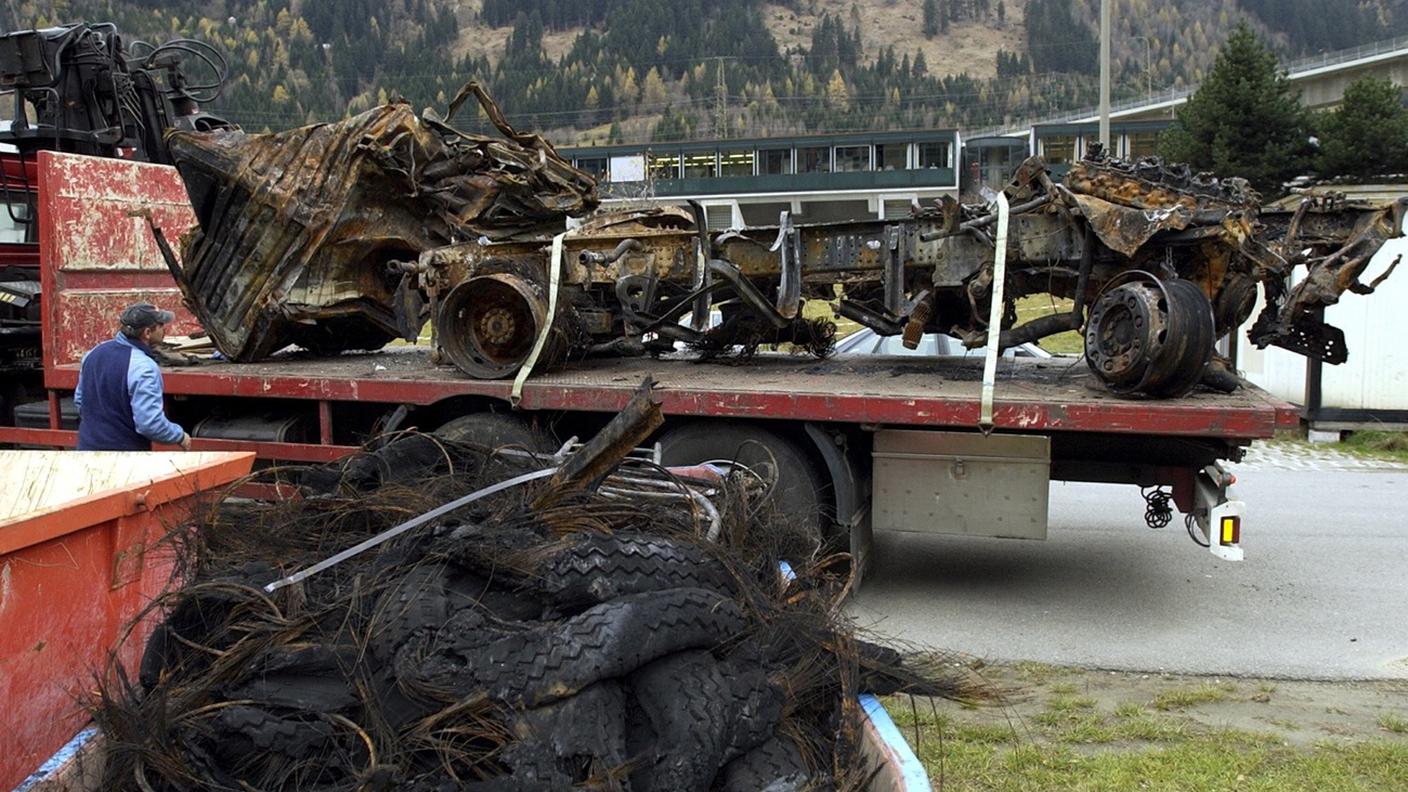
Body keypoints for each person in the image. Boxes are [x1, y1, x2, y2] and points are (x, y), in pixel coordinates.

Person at [74, 302, 192, 451]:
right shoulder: (144, 367)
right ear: (147, 333)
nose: (165, 330)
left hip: (86, 451)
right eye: (161, 325)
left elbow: (80, 401)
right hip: (124, 459)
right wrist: (179, 436)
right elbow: (149, 424)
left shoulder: (93, 353)